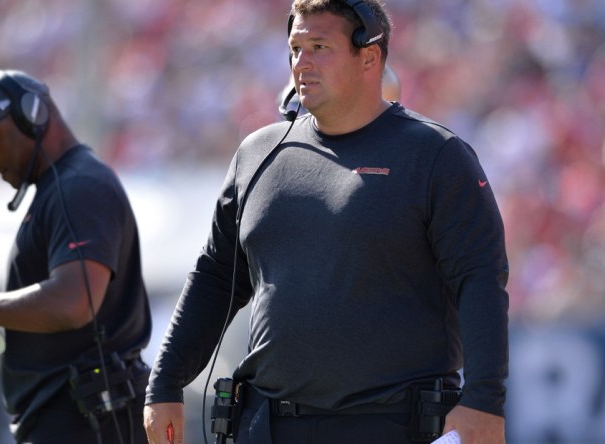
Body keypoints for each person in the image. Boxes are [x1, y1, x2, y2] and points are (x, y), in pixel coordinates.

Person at [143, 1, 508, 443]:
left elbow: (480, 280)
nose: (302, 63)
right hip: (268, 423)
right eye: (296, 47)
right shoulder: (257, 154)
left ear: (369, 56)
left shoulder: (435, 155)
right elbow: (215, 278)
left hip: (389, 424)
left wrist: (484, 400)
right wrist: (164, 383)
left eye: (320, 47)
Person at [0, 66, 152, 444]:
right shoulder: (59, 190)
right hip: (78, 421)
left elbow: (73, 304)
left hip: (90, 424)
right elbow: (67, 336)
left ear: (32, 115)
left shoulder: (79, 186)